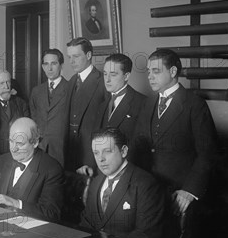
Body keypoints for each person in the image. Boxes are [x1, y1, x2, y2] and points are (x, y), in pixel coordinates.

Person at [131, 49, 218, 238]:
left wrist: (189, 191)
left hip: (177, 192)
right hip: (148, 190)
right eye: (148, 71)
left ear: (173, 72)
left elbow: (207, 154)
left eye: (156, 71)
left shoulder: (194, 105)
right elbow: (139, 145)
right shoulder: (149, 103)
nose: (150, 77)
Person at [0, 117, 64, 221]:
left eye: (20, 143)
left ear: (35, 142)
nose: (13, 149)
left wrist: (16, 203)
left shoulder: (51, 169)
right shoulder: (3, 160)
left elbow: (52, 213)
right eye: (11, 141)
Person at [80, 128, 164, 238]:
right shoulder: (96, 182)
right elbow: (85, 224)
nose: (101, 159)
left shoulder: (145, 184)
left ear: (124, 151)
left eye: (107, 151)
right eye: (96, 153)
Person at [65, 37, 108, 175]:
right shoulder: (72, 81)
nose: (71, 61)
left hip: (91, 154)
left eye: (76, 56)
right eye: (69, 57)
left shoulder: (102, 82)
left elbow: (106, 124)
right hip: (71, 152)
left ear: (89, 55)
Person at [29, 49, 69, 167]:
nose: (49, 68)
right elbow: (33, 119)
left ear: (61, 65)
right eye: (46, 64)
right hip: (40, 148)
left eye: (54, 63)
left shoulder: (70, 89)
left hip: (62, 149)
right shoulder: (36, 91)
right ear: (42, 66)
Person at [97, 53, 145, 142]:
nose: (107, 80)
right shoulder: (101, 102)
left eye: (113, 74)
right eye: (105, 74)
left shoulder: (142, 103)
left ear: (126, 76)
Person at [0, 68, 30, 154]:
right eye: (2, 83)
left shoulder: (21, 103)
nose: (7, 87)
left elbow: (27, 128)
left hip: (18, 152)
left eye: (8, 82)